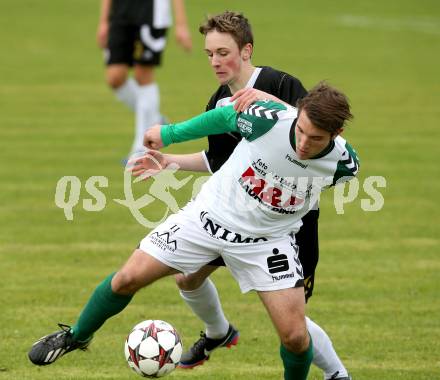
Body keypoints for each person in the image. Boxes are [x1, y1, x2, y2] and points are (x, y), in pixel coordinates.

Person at [28, 82, 359, 380]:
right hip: (206, 220)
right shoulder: (268, 120)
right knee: (127, 278)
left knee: (296, 337)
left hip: (267, 243)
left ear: (336, 133)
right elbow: (224, 118)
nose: (303, 143)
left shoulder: (345, 164)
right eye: (301, 130)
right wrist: (170, 134)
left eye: (315, 139)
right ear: (297, 115)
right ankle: (76, 336)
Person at [137, 11, 351, 380]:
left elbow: (312, 134)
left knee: (292, 325)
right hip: (234, 216)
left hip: (288, 225)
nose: (216, 62)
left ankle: (337, 375)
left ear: (246, 50)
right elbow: (217, 160)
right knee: (187, 277)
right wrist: (167, 162)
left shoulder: (281, 84)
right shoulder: (218, 102)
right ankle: (220, 332)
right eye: (210, 54)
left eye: (224, 52)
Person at [96, 0, 192, 156]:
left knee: (143, 75)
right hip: (120, 14)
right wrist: (103, 21)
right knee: (115, 77)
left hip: (151, 14)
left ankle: (141, 149)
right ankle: (154, 117)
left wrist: (181, 24)